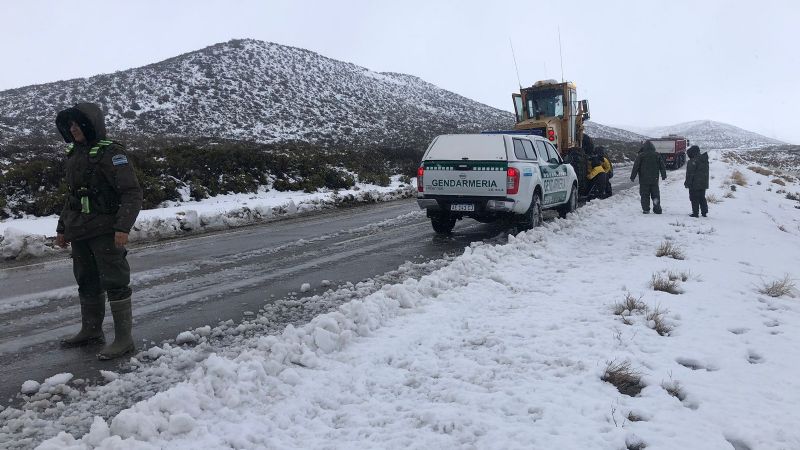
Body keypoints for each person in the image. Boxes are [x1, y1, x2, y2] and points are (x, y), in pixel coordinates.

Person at [54, 102, 143, 360]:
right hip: (80, 230)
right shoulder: (74, 154)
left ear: (90, 124)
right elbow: (72, 197)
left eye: (77, 124)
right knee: (86, 280)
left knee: (115, 281)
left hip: (106, 229)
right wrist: (62, 228)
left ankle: (124, 340)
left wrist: (122, 227)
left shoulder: (111, 152)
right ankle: (91, 331)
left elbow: (132, 192)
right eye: (69, 125)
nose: (73, 129)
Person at [630, 140, 667, 214]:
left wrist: (632, 177)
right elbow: (662, 166)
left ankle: (646, 209)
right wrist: (663, 175)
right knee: (655, 195)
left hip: (644, 180)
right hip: (654, 180)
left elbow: (635, 167)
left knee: (644, 195)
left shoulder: (641, 155)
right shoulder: (657, 155)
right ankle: (657, 209)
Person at [684, 145, 709, 217]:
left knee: (694, 198)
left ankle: (695, 213)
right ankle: (704, 212)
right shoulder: (704, 159)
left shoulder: (692, 161)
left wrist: (687, 183)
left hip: (694, 183)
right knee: (702, 197)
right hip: (703, 183)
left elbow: (690, 174)